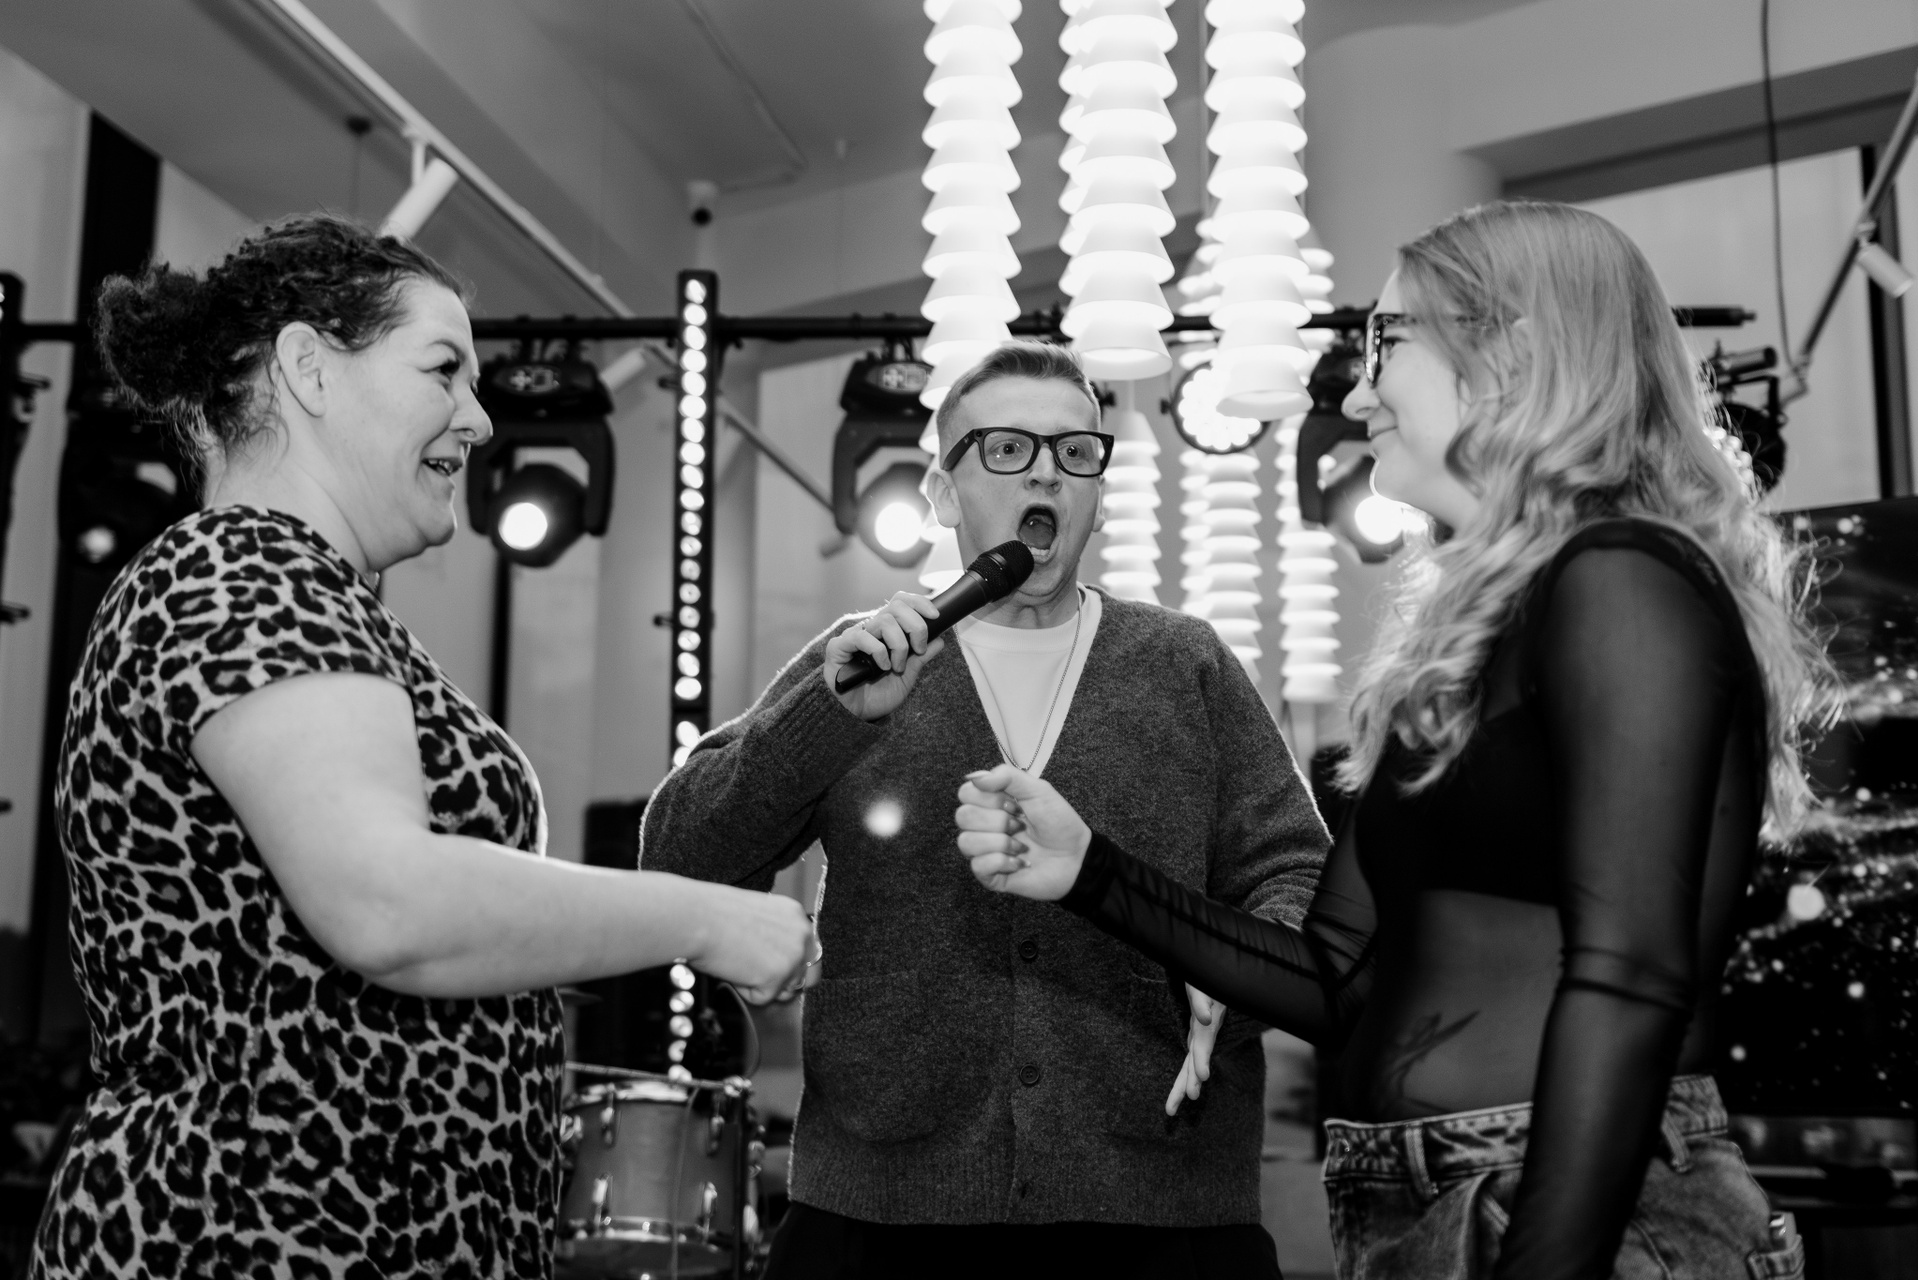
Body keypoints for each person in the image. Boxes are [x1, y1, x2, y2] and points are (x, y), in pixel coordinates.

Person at [955, 201, 1827, 1280]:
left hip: (1588, 1212)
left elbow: (1633, 981)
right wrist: (1092, 873)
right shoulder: (1473, 640)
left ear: (1510, 350)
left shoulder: (1624, 578)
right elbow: (1336, 977)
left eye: (1386, 343)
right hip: (1426, 1208)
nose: (1358, 392)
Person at [31, 214, 813, 1280]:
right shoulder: (244, 569)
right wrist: (704, 917)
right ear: (309, 368)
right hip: (256, 1234)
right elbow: (387, 904)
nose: (479, 421)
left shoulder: (302, 591)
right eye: (444, 369)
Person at [640, 342, 1328, 1279]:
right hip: (880, 1214)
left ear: (1097, 494)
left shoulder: (1185, 664)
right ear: (943, 492)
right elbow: (680, 862)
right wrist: (827, 718)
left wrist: (1231, 971)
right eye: (1006, 449)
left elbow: (1301, 877)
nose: (1046, 472)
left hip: (1165, 1213)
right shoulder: (865, 660)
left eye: (1075, 452)